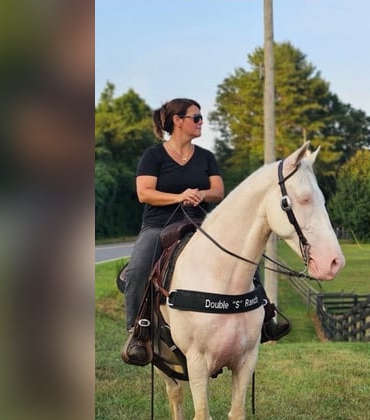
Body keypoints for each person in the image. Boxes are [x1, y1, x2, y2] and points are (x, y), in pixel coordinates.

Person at [121, 97, 288, 365]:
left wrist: (200, 193)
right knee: (139, 267)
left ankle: (267, 317)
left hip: (200, 225)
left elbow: (218, 191)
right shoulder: (153, 156)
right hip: (159, 226)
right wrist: (179, 196)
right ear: (178, 121)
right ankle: (137, 333)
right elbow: (144, 193)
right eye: (196, 118)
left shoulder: (206, 157)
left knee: (244, 255)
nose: (201, 122)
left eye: (201, 118)